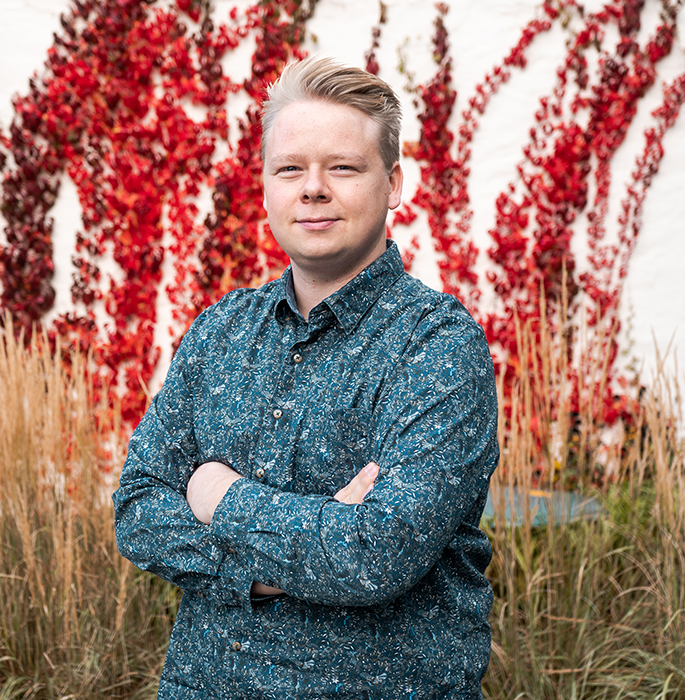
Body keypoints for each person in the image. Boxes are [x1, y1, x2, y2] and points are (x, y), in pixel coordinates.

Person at [113, 56, 499, 699]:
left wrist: (218, 498)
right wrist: (296, 551)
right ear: (266, 186)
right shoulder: (220, 332)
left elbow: (376, 555)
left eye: (342, 167)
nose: (312, 188)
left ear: (394, 182)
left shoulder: (438, 347)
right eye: (290, 169)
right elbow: (138, 511)